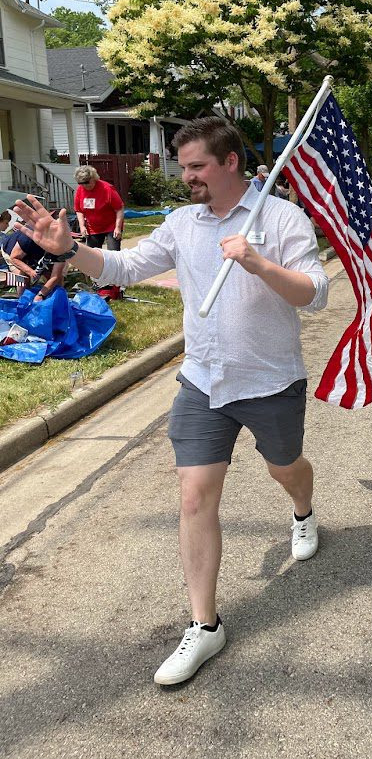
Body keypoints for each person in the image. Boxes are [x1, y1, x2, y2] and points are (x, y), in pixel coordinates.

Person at [14, 116, 329, 686]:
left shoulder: (281, 218)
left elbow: (315, 294)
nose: (186, 178)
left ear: (231, 162)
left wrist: (258, 263)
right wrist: (72, 250)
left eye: (196, 167)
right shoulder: (183, 222)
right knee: (194, 497)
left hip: (270, 380)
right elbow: (126, 266)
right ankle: (205, 626)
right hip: (203, 382)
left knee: (285, 467)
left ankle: (303, 512)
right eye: (183, 168)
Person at [1, 219, 66, 301]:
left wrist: (41, 294)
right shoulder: (27, 239)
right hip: (12, 253)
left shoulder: (63, 247)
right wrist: (30, 271)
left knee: (56, 280)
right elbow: (14, 258)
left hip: (35, 254)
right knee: (23, 278)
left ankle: (58, 300)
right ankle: (23, 301)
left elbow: (56, 276)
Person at [73, 165, 125, 250]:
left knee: (113, 253)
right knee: (93, 255)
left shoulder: (107, 188)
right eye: (81, 183)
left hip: (111, 226)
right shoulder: (80, 190)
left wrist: (118, 228)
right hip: (93, 228)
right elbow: (79, 210)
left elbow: (119, 208)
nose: (85, 186)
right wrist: (82, 226)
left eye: (87, 182)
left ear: (94, 178)